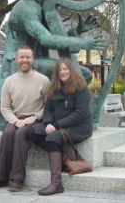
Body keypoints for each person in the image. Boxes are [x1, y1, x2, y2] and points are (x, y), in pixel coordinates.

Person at [0, 46, 50, 192]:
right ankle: (0, 178)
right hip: (15, 118)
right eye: (22, 57)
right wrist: (15, 121)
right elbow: (5, 107)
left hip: (34, 121)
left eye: (27, 57)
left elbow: (48, 106)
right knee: (8, 134)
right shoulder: (9, 81)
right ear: (16, 60)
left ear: (32, 59)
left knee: (20, 135)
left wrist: (34, 117)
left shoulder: (43, 80)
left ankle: (17, 179)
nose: (24, 60)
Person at [27, 58, 92, 196]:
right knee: (31, 131)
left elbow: (80, 114)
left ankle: (56, 184)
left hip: (79, 127)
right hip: (56, 125)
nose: (62, 72)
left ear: (71, 70)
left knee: (53, 137)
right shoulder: (54, 88)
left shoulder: (81, 88)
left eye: (65, 69)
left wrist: (56, 125)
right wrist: (48, 123)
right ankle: (62, 158)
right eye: (60, 70)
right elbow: (48, 109)